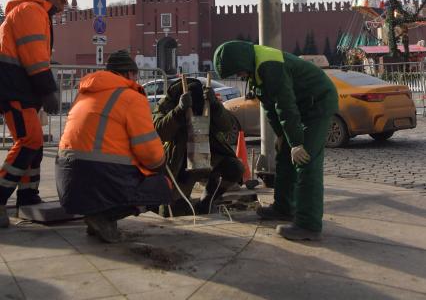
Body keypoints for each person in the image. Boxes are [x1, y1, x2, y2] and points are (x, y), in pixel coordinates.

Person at [213, 41, 338, 241]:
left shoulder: (270, 66)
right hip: (300, 106)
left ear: (243, 63)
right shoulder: (256, 69)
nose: (240, 77)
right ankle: (284, 207)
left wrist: (296, 142)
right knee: (283, 154)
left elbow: (285, 105)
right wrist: (283, 137)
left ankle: (309, 225)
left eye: (239, 73)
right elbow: (270, 107)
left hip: (317, 104)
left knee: (305, 160)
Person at [56, 49, 171, 243]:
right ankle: (104, 218)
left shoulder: (84, 93)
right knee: (162, 186)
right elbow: (150, 152)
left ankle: (96, 217)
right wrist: (160, 164)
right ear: (127, 74)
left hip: (67, 180)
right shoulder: (131, 97)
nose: (137, 80)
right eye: (135, 75)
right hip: (100, 175)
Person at [0, 0, 68, 228]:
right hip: (14, 87)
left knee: (34, 142)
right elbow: (35, 55)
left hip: (18, 87)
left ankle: (28, 196)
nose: (65, 6)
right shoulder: (31, 11)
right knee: (30, 140)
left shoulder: (33, 10)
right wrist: (47, 90)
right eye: (62, 0)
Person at [153, 77, 244, 216]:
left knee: (234, 168)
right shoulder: (168, 103)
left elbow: (227, 125)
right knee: (171, 212)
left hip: (210, 156)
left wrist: (215, 105)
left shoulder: (205, 101)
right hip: (180, 164)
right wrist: (178, 111)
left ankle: (208, 199)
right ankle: (180, 201)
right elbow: (159, 131)